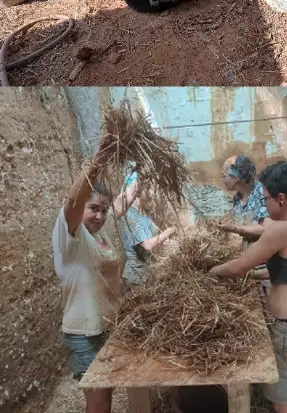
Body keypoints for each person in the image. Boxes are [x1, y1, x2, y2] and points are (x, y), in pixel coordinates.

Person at [210, 160, 287, 413]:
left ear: (281, 199)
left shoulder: (281, 230)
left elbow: (240, 266)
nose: (264, 204)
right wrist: (253, 277)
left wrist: (211, 271)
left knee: (283, 402)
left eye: (266, 198)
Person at [52, 133, 122, 413]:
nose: (100, 216)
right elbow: (72, 202)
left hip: (106, 325)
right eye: (93, 208)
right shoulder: (72, 234)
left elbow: (120, 206)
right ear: (82, 207)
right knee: (99, 402)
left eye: (105, 210)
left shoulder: (101, 233)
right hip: (84, 331)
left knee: (107, 393)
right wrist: (98, 160)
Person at [117, 172, 177, 290]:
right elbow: (147, 245)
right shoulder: (130, 216)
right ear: (136, 191)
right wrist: (169, 231)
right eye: (148, 189)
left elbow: (155, 239)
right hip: (134, 280)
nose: (151, 193)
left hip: (145, 276)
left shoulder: (143, 214)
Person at [218, 154, 271, 241]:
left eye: (224, 176)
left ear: (236, 177)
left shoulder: (261, 192)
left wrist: (234, 228)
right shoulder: (237, 197)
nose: (222, 180)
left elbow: (265, 229)